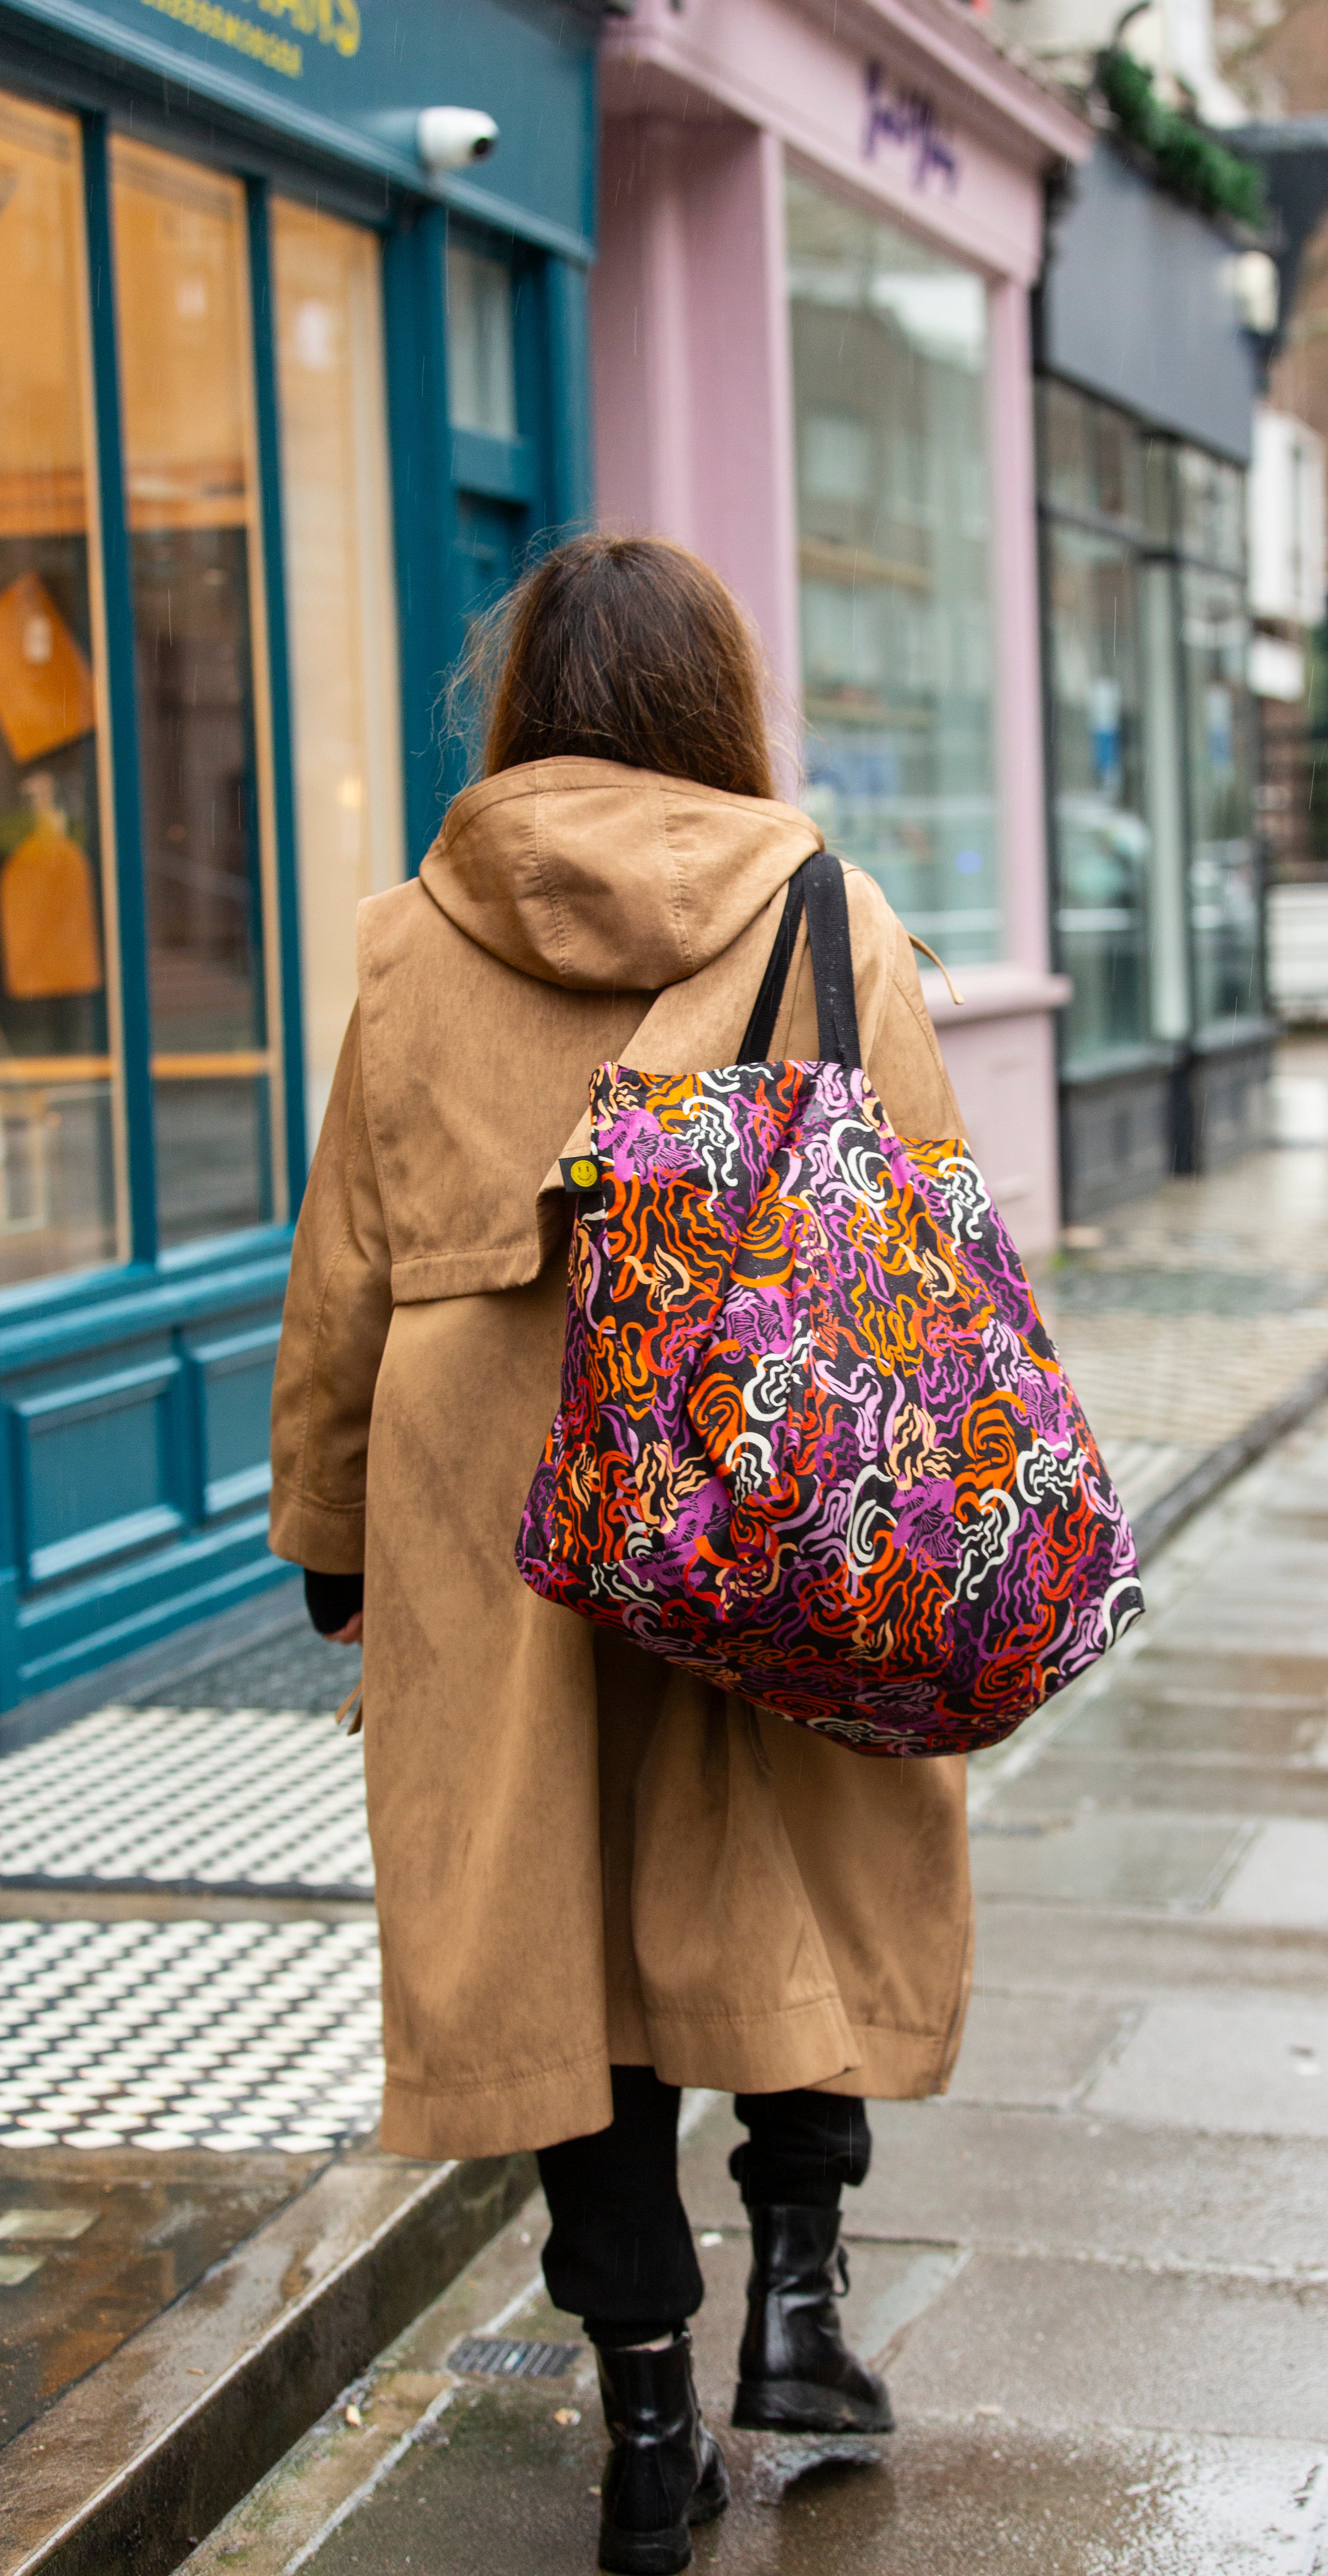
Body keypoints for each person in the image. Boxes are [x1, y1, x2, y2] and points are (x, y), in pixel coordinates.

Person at [269, 535, 973, 2575]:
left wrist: (331, 1536)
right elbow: (930, 1245)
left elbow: (343, 1275)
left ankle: (649, 2415)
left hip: (495, 1518)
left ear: (525, 710)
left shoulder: (413, 940)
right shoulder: (832, 913)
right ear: (714, 704)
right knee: (786, 1877)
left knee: (562, 1940)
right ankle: (811, 2309)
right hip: (762, 1484)